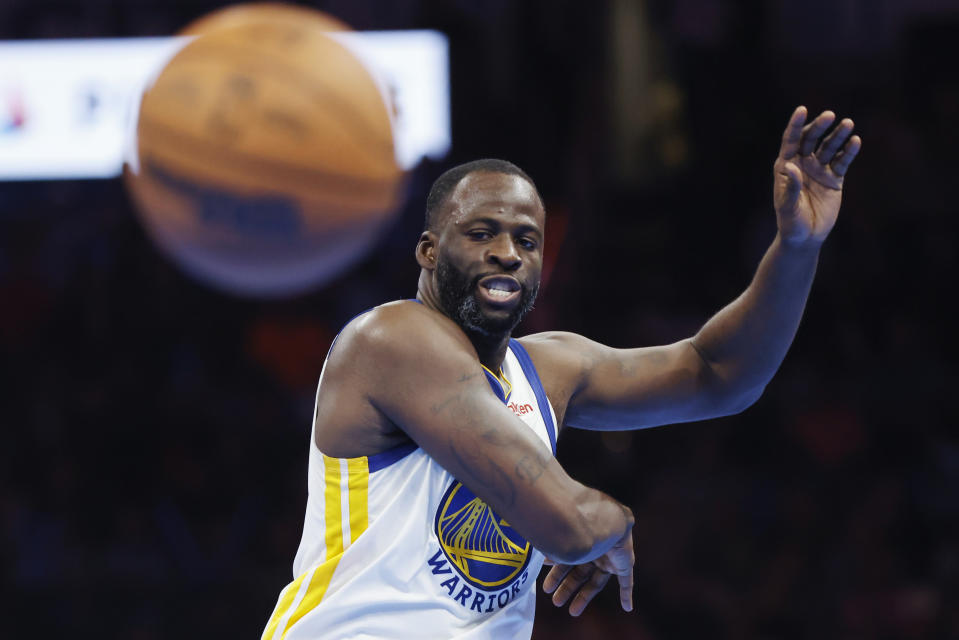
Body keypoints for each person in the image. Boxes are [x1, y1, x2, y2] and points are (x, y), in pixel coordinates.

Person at [261, 106, 861, 639]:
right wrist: (611, 521)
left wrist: (796, 248)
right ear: (427, 251)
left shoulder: (550, 367)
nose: (507, 252)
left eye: (527, 240)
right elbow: (570, 524)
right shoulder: (390, 339)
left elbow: (720, 375)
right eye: (481, 233)